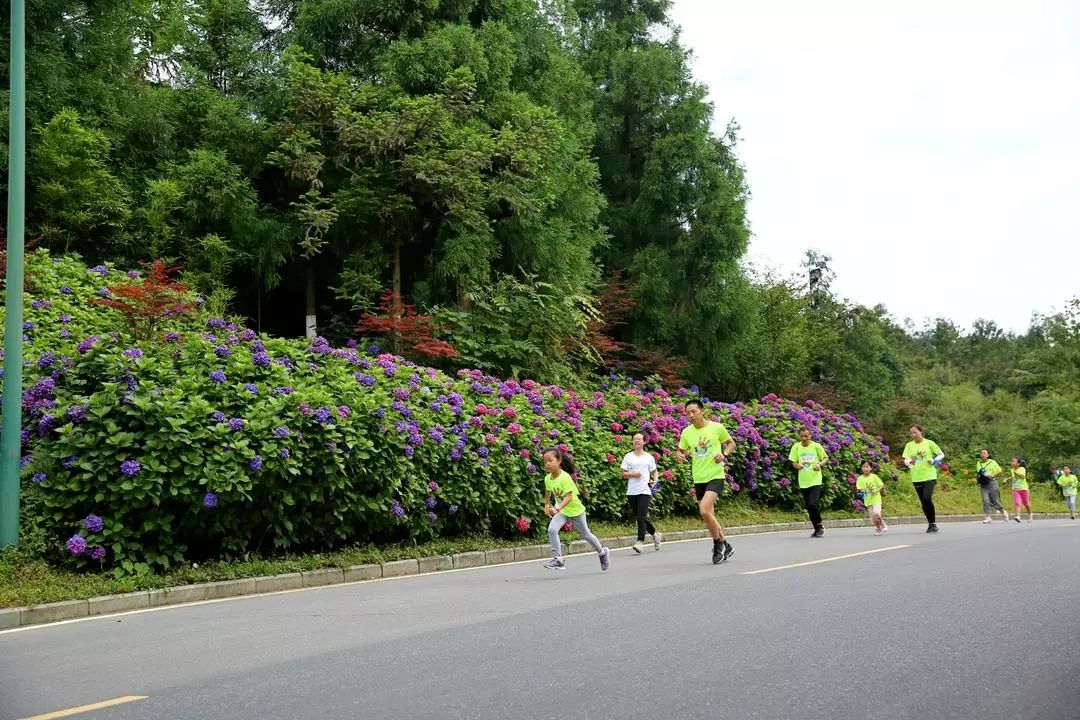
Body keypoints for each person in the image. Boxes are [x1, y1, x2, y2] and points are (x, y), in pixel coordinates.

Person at [677, 399, 736, 564]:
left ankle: (717, 545)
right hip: (699, 478)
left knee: (704, 510)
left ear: (702, 411)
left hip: (715, 475)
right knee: (709, 515)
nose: (691, 415)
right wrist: (679, 455)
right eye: (688, 413)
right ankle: (726, 545)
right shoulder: (686, 432)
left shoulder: (716, 427)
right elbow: (680, 450)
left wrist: (724, 454)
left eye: (694, 411)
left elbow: (731, 443)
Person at [542, 447, 610, 571]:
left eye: (550, 460)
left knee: (586, 535)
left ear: (559, 461)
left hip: (575, 511)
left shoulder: (565, 477)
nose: (547, 464)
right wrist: (546, 505)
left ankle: (602, 552)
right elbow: (547, 492)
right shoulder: (547, 478)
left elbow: (569, 497)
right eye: (545, 461)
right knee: (552, 530)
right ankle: (558, 559)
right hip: (563, 512)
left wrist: (556, 508)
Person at [621, 433, 661, 553]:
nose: (637, 441)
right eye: (635, 439)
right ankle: (655, 534)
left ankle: (640, 542)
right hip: (632, 491)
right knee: (640, 517)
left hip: (644, 490)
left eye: (639, 439)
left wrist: (654, 482)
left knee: (640, 517)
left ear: (644, 442)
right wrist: (633, 474)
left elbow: (654, 472)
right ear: (632, 442)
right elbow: (623, 474)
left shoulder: (648, 457)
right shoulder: (628, 457)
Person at [902, 425, 944, 533]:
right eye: (911, 433)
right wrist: (908, 462)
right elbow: (906, 459)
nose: (913, 435)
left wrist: (934, 460)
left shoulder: (929, 443)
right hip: (916, 477)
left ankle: (933, 522)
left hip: (929, 475)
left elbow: (941, 454)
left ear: (921, 431)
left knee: (926, 498)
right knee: (923, 502)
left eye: (915, 432)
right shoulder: (909, 445)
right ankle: (931, 524)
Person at [788, 428, 829, 537]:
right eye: (802, 436)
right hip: (803, 480)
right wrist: (797, 465)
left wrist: (819, 464)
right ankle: (817, 529)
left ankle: (819, 524)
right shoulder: (796, 447)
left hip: (815, 479)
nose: (804, 438)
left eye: (806, 436)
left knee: (812, 503)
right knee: (809, 506)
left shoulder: (816, 446)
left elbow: (825, 458)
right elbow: (793, 462)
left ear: (810, 435)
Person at [975, 449, 1008, 523]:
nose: (983, 454)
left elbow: (1000, 471)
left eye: (984, 453)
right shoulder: (978, 463)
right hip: (983, 484)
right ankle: (988, 517)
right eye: (981, 453)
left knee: (995, 500)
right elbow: (979, 472)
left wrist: (992, 475)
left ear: (988, 455)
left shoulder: (992, 462)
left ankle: (1003, 511)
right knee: (985, 500)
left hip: (992, 483)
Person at [856, 461, 887, 535]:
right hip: (868, 500)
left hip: (876, 499)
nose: (865, 468)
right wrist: (862, 492)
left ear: (871, 468)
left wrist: (876, 490)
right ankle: (878, 528)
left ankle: (882, 523)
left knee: (876, 512)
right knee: (873, 518)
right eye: (863, 467)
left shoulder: (874, 477)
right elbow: (859, 489)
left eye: (867, 467)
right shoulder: (860, 478)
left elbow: (881, 485)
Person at [1008, 457, 1032, 524]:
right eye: (1012, 461)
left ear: (1018, 463)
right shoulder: (1012, 469)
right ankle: (1018, 516)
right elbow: (1013, 476)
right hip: (1015, 489)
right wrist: (1007, 479)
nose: (1012, 462)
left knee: (1026, 503)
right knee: (1017, 503)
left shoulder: (1022, 469)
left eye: (1014, 461)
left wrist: (1017, 473)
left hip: (1023, 489)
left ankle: (1030, 514)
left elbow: (1023, 476)